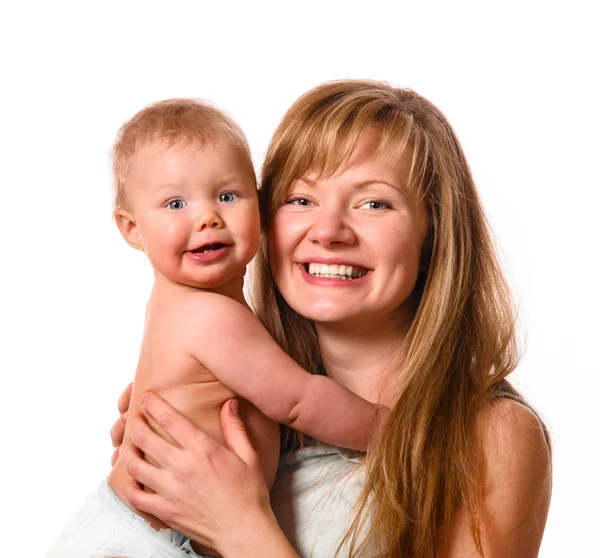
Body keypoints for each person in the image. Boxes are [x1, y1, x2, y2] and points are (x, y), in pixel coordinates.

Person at [110, 81, 552, 557]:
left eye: (373, 203)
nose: (328, 231)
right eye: (301, 200)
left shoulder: (489, 436)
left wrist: (239, 529)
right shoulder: (254, 397)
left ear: (433, 237)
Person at [48, 98, 387, 558]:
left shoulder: (182, 304)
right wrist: (388, 428)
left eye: (227, 196)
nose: (206, 216)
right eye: (175, 203)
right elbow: (299, 400)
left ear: (262, 205)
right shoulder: (211, 315)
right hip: (148, 540)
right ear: (132, 228)